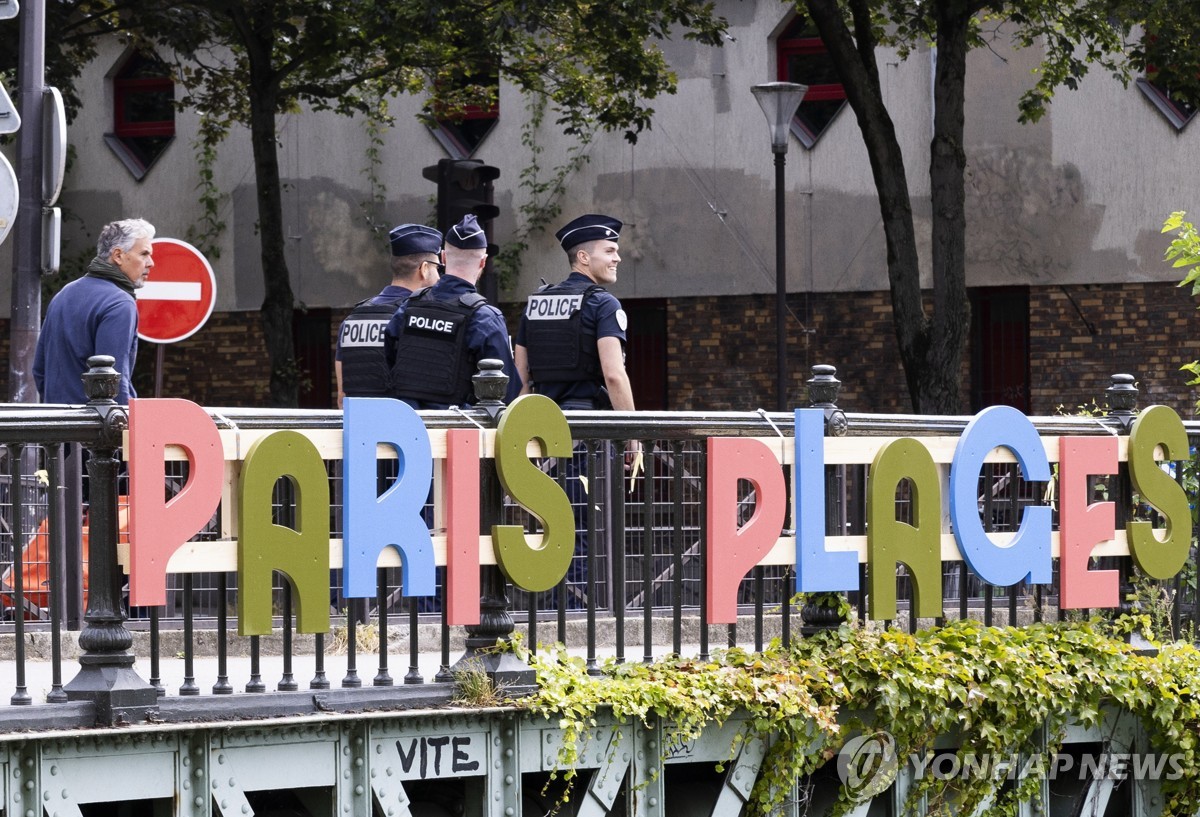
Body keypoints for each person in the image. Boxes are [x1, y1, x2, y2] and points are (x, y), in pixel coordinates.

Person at [384, 214, 521, 408]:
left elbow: (389, 363)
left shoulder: (409, 307)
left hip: (407, 427)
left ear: (443, 257)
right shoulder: (485, 318)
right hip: (459, 430)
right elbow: (505, 391)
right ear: (483, 262)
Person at [514, 213, 635, 413]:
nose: (617, 258)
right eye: (609, 251)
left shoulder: (535, 304)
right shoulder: (604, 304)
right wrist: (634, 435)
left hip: (541, 420)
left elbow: (520, 378)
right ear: (583, 257)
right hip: (587, 427)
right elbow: (614, 376)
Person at [34, 218, 156, 405]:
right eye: (144, 253)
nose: (151, 263)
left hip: (57, 419)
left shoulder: (64, 294)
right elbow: (114, 383)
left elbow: (39, 370)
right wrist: (125, 428)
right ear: (118, 255)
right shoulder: (120, 303)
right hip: (96, 427)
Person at [334, 223, 442, 407]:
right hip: (405, 430)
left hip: (360, 430)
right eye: (437, 269)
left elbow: (342, 397)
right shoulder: (421, 320)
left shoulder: (352, 320)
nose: (439, 277)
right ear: (424, 269)